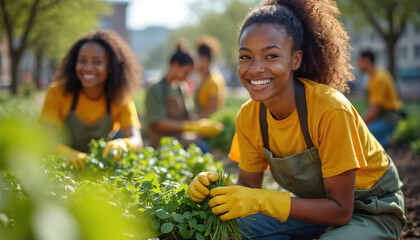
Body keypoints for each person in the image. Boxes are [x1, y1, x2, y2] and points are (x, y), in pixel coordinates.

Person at [188, 1, 405, 239]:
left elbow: (341, 211)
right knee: (219, 229)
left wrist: (264, 200)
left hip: (370, 208)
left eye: (271, 55)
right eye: (245, 57)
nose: (256, 68)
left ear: (296, 60)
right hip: (312, 209)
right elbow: (249, 187)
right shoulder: (249, 116)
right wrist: (217, 187)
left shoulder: (330, 110)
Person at [39, 30, 143, 170]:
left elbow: (136, 140)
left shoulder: (120, 97)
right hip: (63, 169)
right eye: (82, 61)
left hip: (100, 168)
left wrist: (124, 144)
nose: (88, 68)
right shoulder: (58, 92)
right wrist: (65, 153)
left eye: (97, 62)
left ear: (111, 67)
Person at [145, 39, 224, 150]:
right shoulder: (156, 88)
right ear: (175, 66)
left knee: (203, 148)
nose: (187, 78)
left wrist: (201, 124)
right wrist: (190, 127)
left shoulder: (181, 88)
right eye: (185, 73)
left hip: (179, 141)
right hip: (161, 145)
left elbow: (188, 116)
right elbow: (158, 123)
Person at [357, 49, 402, 148]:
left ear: (367, 61)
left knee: (361, 136)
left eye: (359, 60)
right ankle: (383, 144)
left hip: (387, 119)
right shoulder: (374, 76)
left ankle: (384, 145)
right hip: (381, 118)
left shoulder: (378, 79)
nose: (357, 64)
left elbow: (373, 112)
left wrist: (357, 125)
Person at [194, 36, 226, 118]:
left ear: (204, 59)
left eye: (196, 58)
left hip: (209, 127)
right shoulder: (203, 78)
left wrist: (193, 119)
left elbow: (213, 111)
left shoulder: (213, 81)